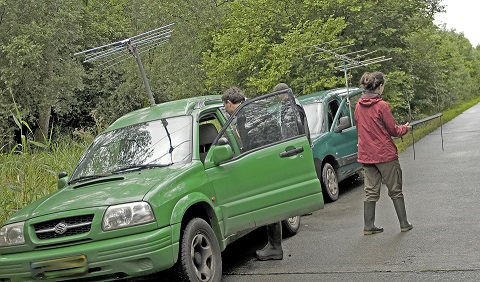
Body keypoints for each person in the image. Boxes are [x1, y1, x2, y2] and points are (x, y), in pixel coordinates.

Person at [221, 86, 284, 261]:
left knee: (268, 204)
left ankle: (275, 247)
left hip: (260, 163)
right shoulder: (256, 107)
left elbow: (251, 143)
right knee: (270, 203)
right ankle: (274, 245)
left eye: (225, 106)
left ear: (229, 103)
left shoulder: (245, 115)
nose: (226, 110)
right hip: (270, 159)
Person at [354, 71, 413, 235]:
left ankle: (368, 226)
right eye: (383, 86)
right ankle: (404, 224)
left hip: (366, 155)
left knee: (370, 191)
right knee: (395, 190)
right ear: (379, 87)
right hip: (384, 155)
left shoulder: (358, 106)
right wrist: (405, 129)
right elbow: (393, 130)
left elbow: (360, 130)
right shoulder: (382, 106)